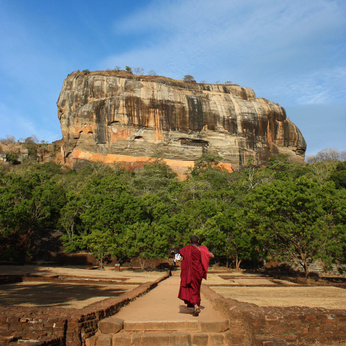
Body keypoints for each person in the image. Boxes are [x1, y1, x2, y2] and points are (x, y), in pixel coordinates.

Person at [178, 235, 214, 316]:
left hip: (190, 272)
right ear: (198, 242)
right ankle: (193, 304)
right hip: (198, 272)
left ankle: (196, 306)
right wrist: (205, 253)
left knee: (192, 287)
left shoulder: (186, 249)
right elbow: (212, 255)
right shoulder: (201, 250)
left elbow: (181, 258)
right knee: (196, 288)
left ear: (190, 241)